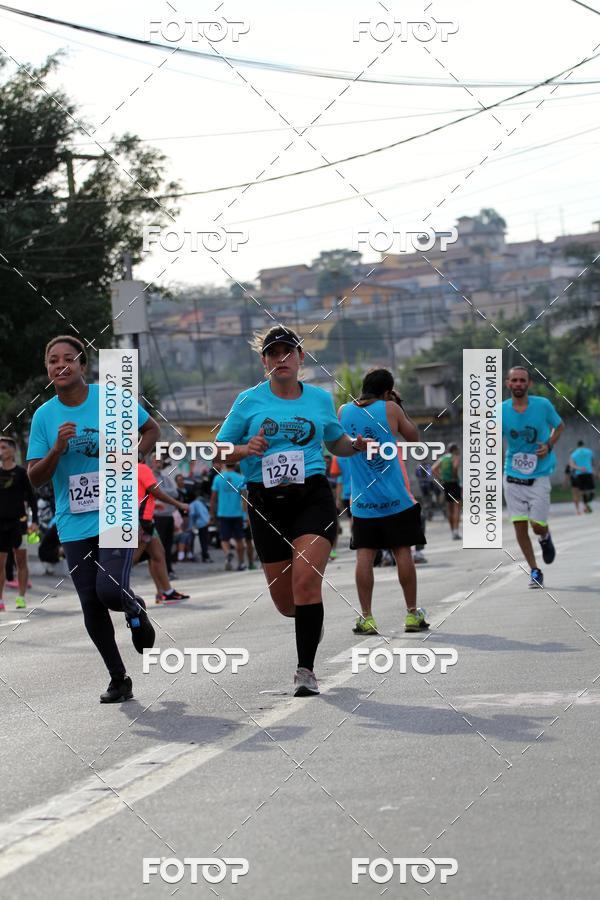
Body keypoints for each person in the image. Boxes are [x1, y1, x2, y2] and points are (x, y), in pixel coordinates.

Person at [216, 325, 369, 696]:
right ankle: (309, 612)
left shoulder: (319, 399)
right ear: (264, 361)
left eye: (288, 352)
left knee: (305, 580)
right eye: (273, 353)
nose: (280, 359)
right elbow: (217, 450)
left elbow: (336, 443)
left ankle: (305, 671)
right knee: (288, 604)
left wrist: (355, 444)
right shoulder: (248, 401)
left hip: (312, 496)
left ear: (301, 357)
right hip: (265, 502)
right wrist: (242, 450)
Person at [27, 335, 160, 703]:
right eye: (53, 360)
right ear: (48, 368)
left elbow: (151, 429)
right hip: (73, 521)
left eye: (68, 359)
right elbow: (35, 477)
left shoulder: (110, 398)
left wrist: (132, 456)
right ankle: (119, 678)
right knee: (90, 601)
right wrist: (56, 449)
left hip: (116, 508)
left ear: (82, 365)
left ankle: (133, 607)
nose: (60, 365)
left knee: (110, 591)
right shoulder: (44, 416)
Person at [339, 369, 428, 636]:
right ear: (388, 391)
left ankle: (366, 617)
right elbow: (414, 438)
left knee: (364, 555)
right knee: (403, 551)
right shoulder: (390, 408)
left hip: (363, 502)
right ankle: (412, 614)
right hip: (396, 498)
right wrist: (399, 407)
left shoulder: (344, 411)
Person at [502, 366, 564, 588]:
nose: (518, 384)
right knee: (519, 526)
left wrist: (548, 445)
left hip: (539, 474)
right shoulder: (501, 411)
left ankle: (545, 537)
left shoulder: (543, 405)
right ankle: (534, 570)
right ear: (507, 384)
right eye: (514, 380)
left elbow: (559, 426)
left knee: (537, 526)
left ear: (528, 384)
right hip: (512, 475)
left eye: (522, 380)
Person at [136, 461, 190, 603]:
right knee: (129, 561)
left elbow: (143, 493)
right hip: (142, 521)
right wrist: (179, 504)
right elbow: (157, 491)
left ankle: (165, 592)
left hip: (146, 519)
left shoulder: (126, 468)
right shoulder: (142, 467)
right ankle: (109, 589)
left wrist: (154, 505)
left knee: (158, 554)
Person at [0, 436, 39, 611]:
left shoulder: (22, 473)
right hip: (1, 525)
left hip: (19, 523)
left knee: (21, 561)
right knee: (0, 563)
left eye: (3, 448)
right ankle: (0, 600)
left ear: (12, 451)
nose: (0, 451)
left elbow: (32, 499)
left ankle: (21, 597)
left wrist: (35, 522)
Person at [210, 461, 247, 571]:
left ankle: (228, 553)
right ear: (234, 465)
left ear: (224, 464)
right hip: (238, 513)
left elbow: (213, 499)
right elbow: (245, 499)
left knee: (224, 539)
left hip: (223, 513)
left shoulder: (218, 478)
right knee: (239, 539)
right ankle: (241, 563)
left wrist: (211, 513)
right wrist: (246, 515)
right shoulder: (241, 478)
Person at [151, 458, 179, 578]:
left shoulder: (165, 477)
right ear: (152, 462)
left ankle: (169, 569)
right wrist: (165, 492)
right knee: (159, 548)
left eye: (160, 461)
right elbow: (157, 491)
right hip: (158, 516)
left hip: (168, 515)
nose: (159, 463)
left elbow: (175, 492)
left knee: (168, 545)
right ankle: (161, 573)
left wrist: (163, 492)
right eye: (156, 461)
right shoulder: (150, 476)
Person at [432, 443, 462, 539]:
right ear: (454, 450)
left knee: (449, 508)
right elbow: (455, 467)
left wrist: (440, 476)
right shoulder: (455, 457)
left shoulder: (443, 458)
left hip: (446, 484)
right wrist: (455, 476)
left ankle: (452, 531)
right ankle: (456, 532)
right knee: (457, 508)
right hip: (454, 483)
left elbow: (433, 469)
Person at [570, 440, 595, 513]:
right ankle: (588, 504)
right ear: (583, 445)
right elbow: (592, 462)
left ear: (577, 445)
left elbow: (572, 465)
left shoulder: (574, 454)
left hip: (579, 473)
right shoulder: (589, 451)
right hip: (588, 472)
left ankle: (586, 505)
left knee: (583, 491)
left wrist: (579, 468)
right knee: (592, 490)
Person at [188, 492, 213, 562]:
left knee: (200, 541)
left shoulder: (192, 504)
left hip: (200, 524)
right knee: (204, 541)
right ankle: (205, 556)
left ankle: (201, 556)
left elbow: (192, 514)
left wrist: (190, 526)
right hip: (206, 523)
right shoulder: (201, 503)